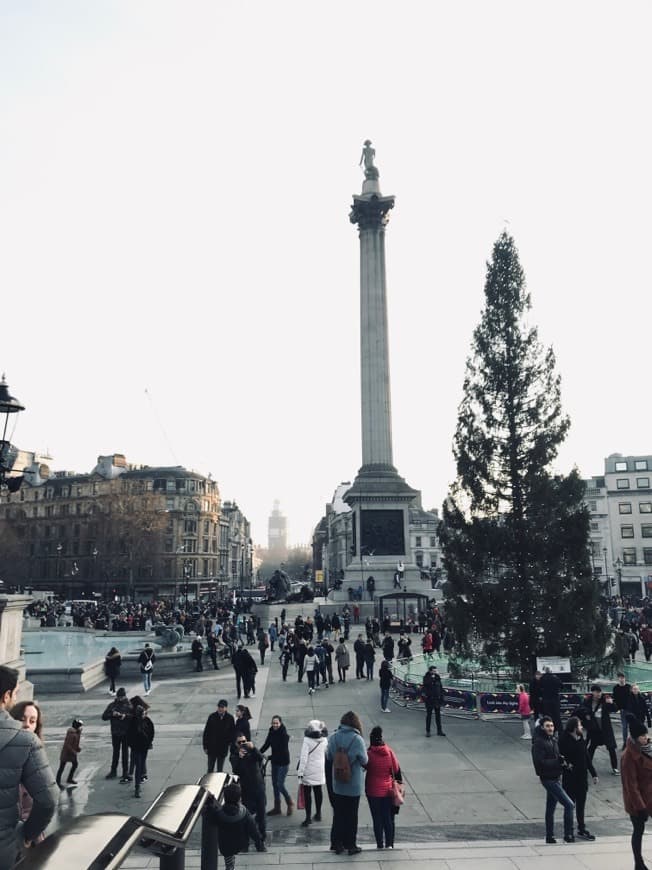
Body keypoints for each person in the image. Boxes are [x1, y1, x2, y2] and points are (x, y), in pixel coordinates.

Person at [0, 665, 58, 866]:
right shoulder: (25, 741)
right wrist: (27, 834)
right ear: (6, 696)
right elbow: (49, 799)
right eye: (15, 694)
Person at [326, 710, 368, 855]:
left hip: (337, 783)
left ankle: (337, 843)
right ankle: (351, 844)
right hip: (353, 784)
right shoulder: (357, 739)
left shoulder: (333, 737)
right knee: (352, 815)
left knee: (338, 814)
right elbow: (364, 760)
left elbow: (329, 756)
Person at [531, 716, 575, 844]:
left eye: (552, 725)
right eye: (548, 726)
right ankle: (568, 834)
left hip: (556, 776)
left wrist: (563, 763)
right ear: (542, 727)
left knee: (550, 808)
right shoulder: (539, 743)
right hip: (548, 779)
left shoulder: (553, 740)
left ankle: (549, 836)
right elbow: (539, 762)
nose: (550, 728)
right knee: (569, 805)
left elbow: (556, 757)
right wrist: (557, 762)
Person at [10, 701, 48, 843]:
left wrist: (30, 833)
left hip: (30, 837)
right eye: (22, 719)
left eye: (32, 721)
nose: (27, 724)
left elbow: (47, 800)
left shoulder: (37, 757)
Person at [210, 781, 266, 870]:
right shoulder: (244, 812)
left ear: (225, 798)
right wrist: (259, 842)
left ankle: (229, 865)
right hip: (241, 843)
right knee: (248, 824)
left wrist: (211, 805)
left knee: (227, 851)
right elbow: (253, 830)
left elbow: (211, 820)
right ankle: (230, 863)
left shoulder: (219, 814)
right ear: (239, 799)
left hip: (225, 845)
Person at [559, 716, 598, 841]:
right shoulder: (564, 739)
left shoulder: (581, 739)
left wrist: (593, 773)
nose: (582, 727)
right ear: (574, 728)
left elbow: (586, 757)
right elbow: (560, 757)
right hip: (570, 778)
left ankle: (581, 828)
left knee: (581, 805)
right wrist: (567, 765)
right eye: (580, 725)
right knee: (570, 805)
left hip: (582, 778)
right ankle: (568, 831)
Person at [621, 713, 652, 870]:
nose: (646, 738)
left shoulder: (649, 749)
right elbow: (630, 785)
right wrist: (640, 808)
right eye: (642, 736)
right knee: (638, 831)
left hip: (650, 796)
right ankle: (638, 863)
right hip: (637, 801)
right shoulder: (628, 757)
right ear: (634, 737)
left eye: (646, 734)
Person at [365, 725, 402, 849]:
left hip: (372, 790)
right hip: (387, 790)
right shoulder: (389, 751)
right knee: (387, 818)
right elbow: (396, 769)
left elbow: (363, 766)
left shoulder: (369, 754)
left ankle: (379, 844)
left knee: (377, 819)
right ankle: (390, 844)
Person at [230, 736, 267, 841]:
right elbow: (236, 770)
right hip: (246, 789)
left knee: (261, 813)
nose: (242, 743)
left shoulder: (252, 751)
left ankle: (262, 836)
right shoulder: (234, 756)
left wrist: (254, 748)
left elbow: (260, 758)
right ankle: (247, 837)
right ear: (236, 744)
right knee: (247, 815)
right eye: (239, 742)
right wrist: (240, 758)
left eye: (244, 741)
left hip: (259, 787)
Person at [577, 684, 619, 774]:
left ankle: (615, 767)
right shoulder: (588, 701)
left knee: (611, 748)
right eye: (596, 692)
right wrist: (586, 715)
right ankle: (588, 766)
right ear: (593, 693)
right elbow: (581, 710)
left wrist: (611, 703)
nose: (599, 694)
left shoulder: (605, 700)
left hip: (606, 729)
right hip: (594, 729)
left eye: (600, 692)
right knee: (591, 748)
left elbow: (615, 709)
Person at [297, 719, 328, 827]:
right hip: (319, 769)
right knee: (318, 791)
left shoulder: (307, 740)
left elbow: (304, 758)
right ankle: (318, 813)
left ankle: (308, 817)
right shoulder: (324, 739)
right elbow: (326, 753)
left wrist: (300, 772)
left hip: (308, 770)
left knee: (307, 794)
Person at [260, 715, 293, 817]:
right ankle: (277, 808)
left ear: (280, 723)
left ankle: (289, 802)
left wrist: (269, 757)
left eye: (277, 723)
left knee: (280, 784)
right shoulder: (271, 732)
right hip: (275, 762)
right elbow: (267, 744)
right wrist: (258, 752)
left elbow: (281, 751)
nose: (275, 725)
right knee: (274, 784)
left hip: (283, 763)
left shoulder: (284, 735)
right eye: (273, 723)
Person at [102, 687, 132, 782]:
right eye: (118, 697)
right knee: (115, 752)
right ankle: (113, 771)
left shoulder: (129, 706)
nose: (119, 699)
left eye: (121, 697)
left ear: (124, 697)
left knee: (125, 753)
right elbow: (104, 717)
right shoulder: (112, 705)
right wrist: (112, 714)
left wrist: (125, 716)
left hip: (126, 733)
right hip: (115, 732)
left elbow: (134, 717)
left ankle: (125, 772)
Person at [127, 696, 154, 798]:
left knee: (139, 764)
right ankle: (137, 785)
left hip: (140, 747)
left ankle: (137, 783)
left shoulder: (141, 721)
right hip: (139, 747)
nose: (145, 715)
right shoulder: (140, 722)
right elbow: (151, 732)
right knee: (139, 765)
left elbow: (151, 732)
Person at [203, 699, 236, 773]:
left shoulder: (230, 718)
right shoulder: (212, 716)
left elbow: (233, 732)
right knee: (210, 768)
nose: (220, 709)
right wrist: (205, 746)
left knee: (220, 770)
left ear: (226, 708)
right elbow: (206, 732)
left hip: (222, 748)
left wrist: (230, 743)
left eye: (222, 707)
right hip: (212, 748)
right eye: (219, 707)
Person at [56, 718, 83, 788]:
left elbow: (76, 743)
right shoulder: (72, 734)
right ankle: (58, 782)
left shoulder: (76, 733)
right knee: (62, 767)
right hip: (67, 753)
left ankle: (69, 779)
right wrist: (74, 751)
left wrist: (77, 748)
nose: (81, 728)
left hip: (72, 753)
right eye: (80, 726)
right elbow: (68, 745)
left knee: (74, 764)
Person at [422, 665, 446, 737]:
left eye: (436, 671)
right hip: (430, 699)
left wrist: (441, 697)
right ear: (430, 671)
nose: (435, 672)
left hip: (437, 699)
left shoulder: (437, 678)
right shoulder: (426, 677)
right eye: (434, 671)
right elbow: (426, 684)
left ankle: (439, 730)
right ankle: (428, 731)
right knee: (429, 715)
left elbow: (440, 687)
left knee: (438, 715)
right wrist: (431, 679)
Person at [539, 668, 562, 733]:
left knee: (547, 716)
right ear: (551, 671)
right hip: (555, 700)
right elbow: (561, 685)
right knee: (557, 716)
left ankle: (546, 730)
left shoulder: (542, 678)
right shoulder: (555, 678)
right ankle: (558, 730)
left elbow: (539, 687)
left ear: (545, 671)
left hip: (546, 700)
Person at [614, 672, 633, 749]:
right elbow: (616, 699)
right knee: (624, 727)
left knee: (631, 726)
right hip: (622, 710)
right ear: (618, 679)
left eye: (622, 678)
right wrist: (618, 708)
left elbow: (632, 697)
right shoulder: (616, 688)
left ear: (624, 678)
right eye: (620, 678)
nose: (621, 679)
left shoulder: (629, 687)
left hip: (630, 709)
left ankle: (632, 742)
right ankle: (625, 743)